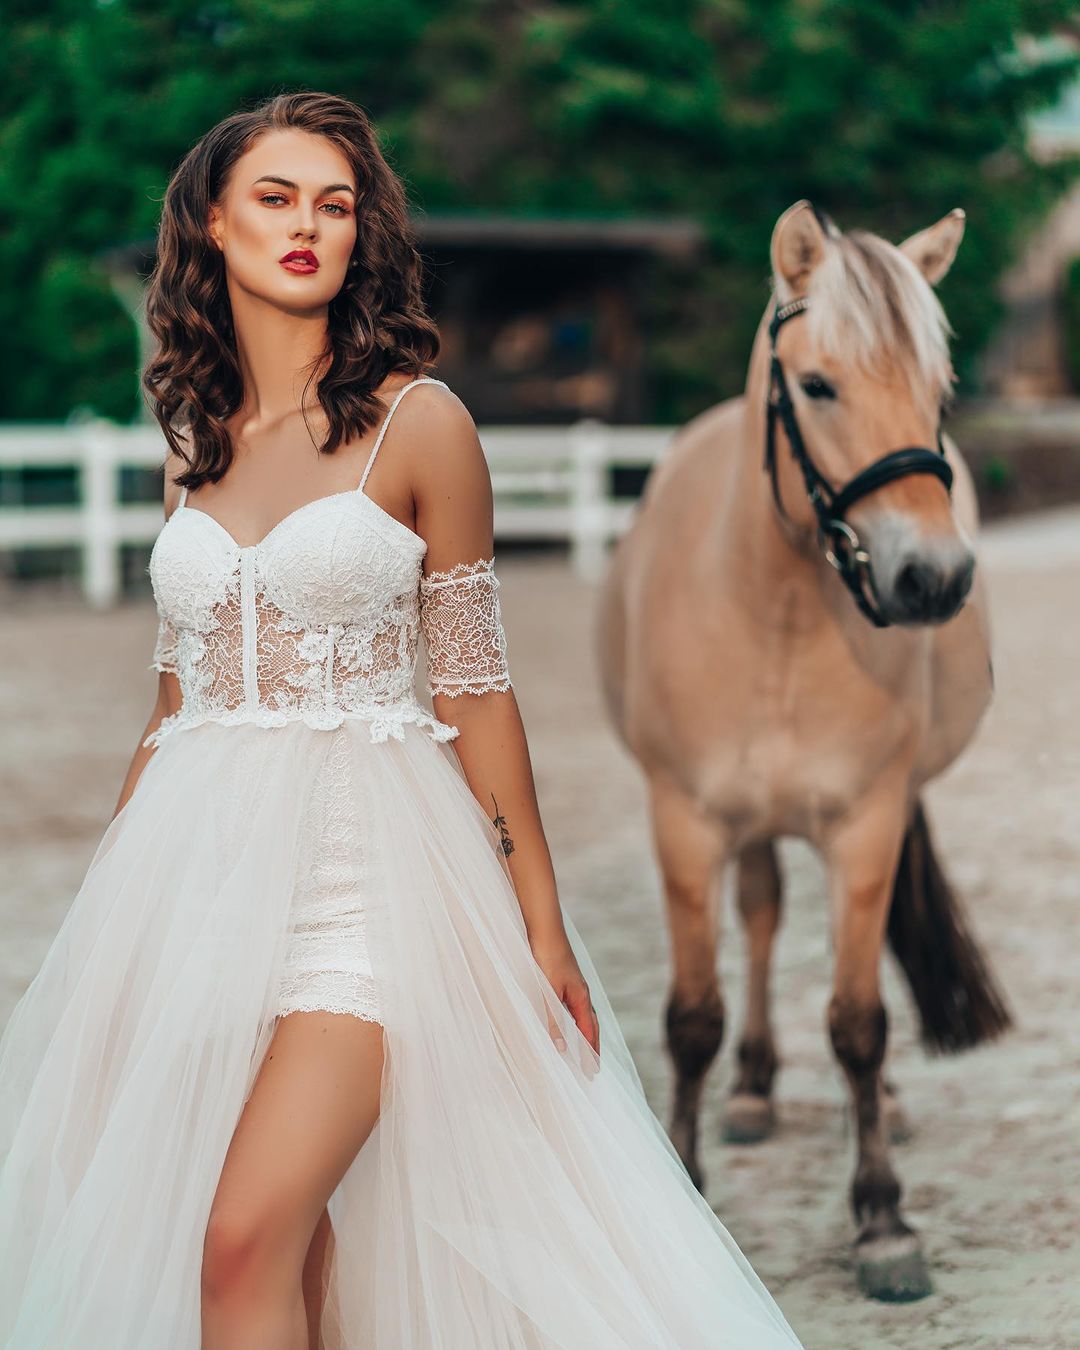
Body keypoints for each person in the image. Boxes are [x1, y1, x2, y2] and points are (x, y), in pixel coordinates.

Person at [0, 90, 805, 1349]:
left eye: (336, 203)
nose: (309, 226)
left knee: (237, 1238)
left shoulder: (421, 427)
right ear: (213, 221)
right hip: (198, 891)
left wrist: (537, 928)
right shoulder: (190, 447)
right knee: (298, 1249)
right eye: (276, 198)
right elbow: (175, 705)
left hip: (365, 891)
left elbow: (476, 692)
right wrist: (117, 929)